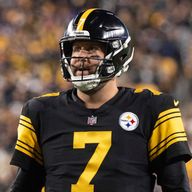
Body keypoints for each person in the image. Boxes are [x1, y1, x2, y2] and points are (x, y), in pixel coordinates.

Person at [9, 8, 192, 192]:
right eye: (76, 48)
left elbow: (176, 186)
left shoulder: (153, 108)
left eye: (91, 49)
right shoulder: (41, 111)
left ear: (119, 54)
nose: (80, 57)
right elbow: (25, 185)